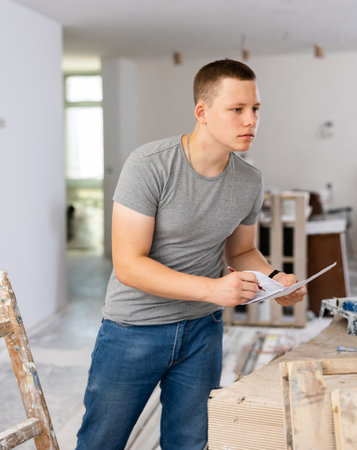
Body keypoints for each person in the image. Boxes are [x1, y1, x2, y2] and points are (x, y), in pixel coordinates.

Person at [76, 59, 306, 450]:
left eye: (255, 109)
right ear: (202, 112)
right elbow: (129, 265)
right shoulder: (149, 165)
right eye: (237, 109)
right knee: (101, 442)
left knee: (190, 444)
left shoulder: (249, 180)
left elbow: (243, 250)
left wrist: (275, 279)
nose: (250, 120)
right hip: (133, 330)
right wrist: (212, 290)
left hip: (202, 331)